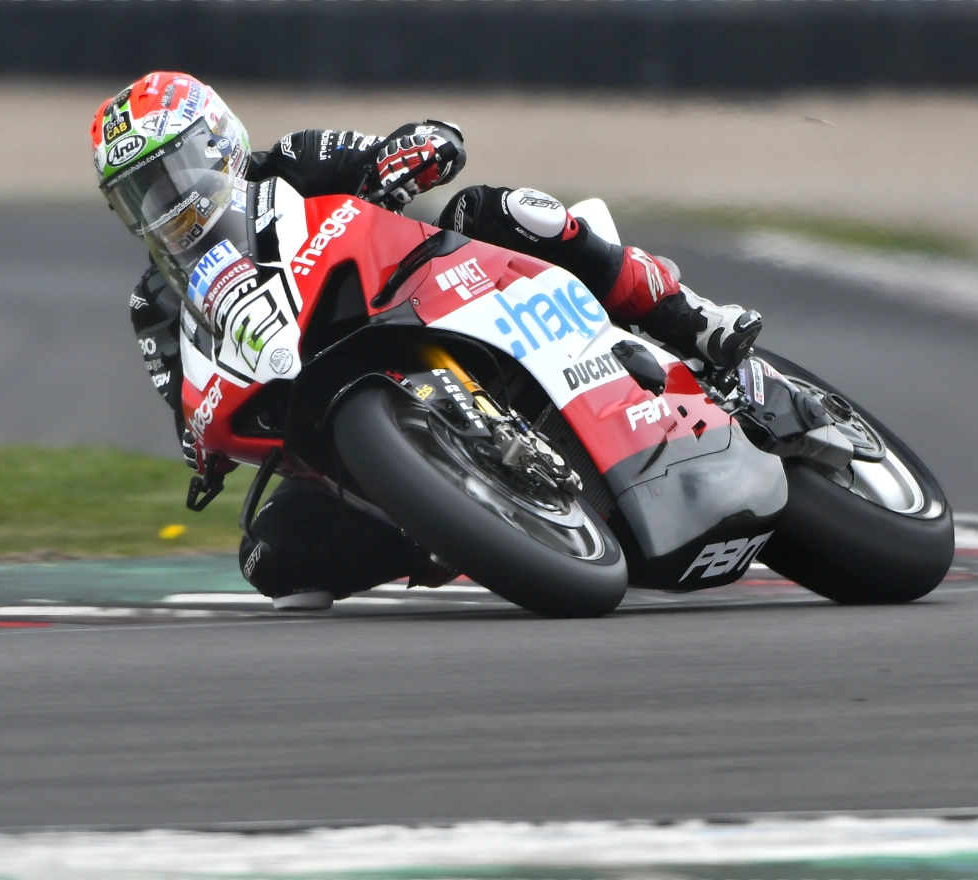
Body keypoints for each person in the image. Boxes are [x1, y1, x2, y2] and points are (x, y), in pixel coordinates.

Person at [92, 71, 762, 608]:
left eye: (172, 171)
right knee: (272, 562)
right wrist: (201, 445)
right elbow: (183, 405)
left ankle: (688, 315)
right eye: (140, 193)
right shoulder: (153, 302)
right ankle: (456, 526)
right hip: (320, 414)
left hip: (424, 300)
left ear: (217, 143)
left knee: (500, 209)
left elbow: (413, 144)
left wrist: (408, 155)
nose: (165, 201)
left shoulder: (293, 163)